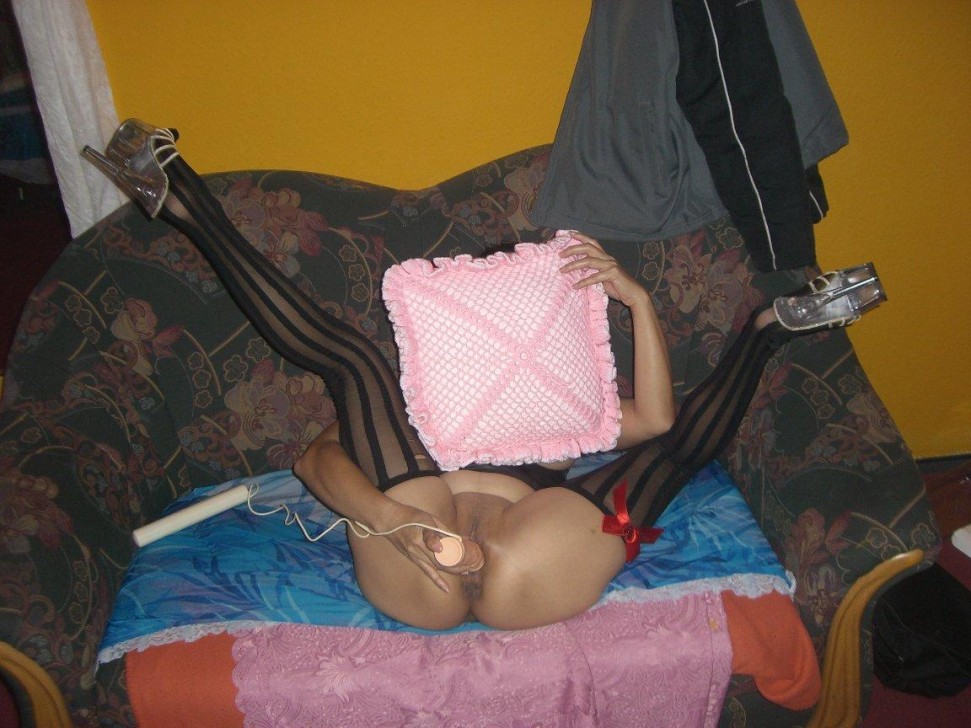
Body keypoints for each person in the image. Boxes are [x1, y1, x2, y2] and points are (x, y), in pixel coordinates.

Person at [84, 119, 887, 632]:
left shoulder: (560, 402)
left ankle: (768, 328)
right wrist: (390, 520)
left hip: (518, 546)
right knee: (354, 363)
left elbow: (655, 424)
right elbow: (315, 462)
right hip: (431, 548)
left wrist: (636, 300)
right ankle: (182, 201)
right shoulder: (409, 399)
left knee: (665, 456)